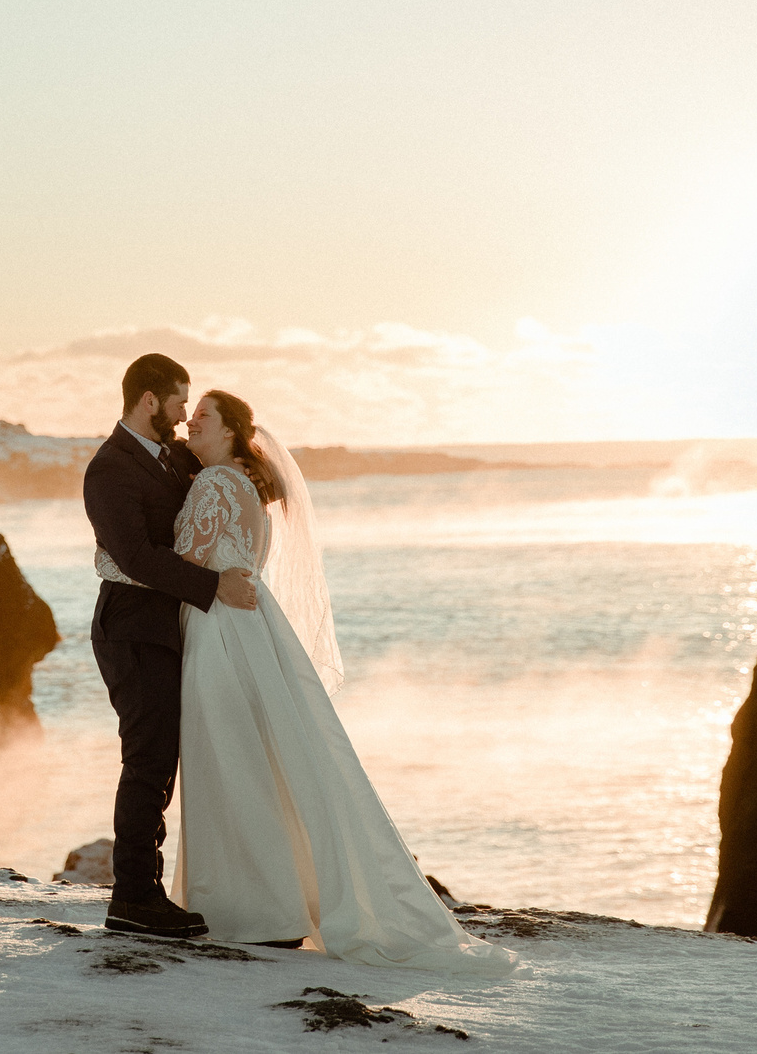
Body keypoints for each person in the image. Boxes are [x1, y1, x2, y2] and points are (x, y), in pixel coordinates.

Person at [172, 389, 517, 977]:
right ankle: (278, 904)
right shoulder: (249, 488)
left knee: (227, 759)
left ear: (230, 432)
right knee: (262, 763)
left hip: (219, 631)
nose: (191, 424)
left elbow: (182, 559)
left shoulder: (213, 484)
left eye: (203, 416)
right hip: (255, 628)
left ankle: (249, 909)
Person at [83, 353, 258, 937]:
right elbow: (133, 556)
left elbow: (220, 482)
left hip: (169, 628)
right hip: (130, 629)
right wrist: (214, 586)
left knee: (164, 761)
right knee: (148, 759)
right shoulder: (109, 468)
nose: (185, 416)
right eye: (180, 402)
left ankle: (149, 891)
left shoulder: (174, 457)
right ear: (149, 400)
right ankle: (133, 898)